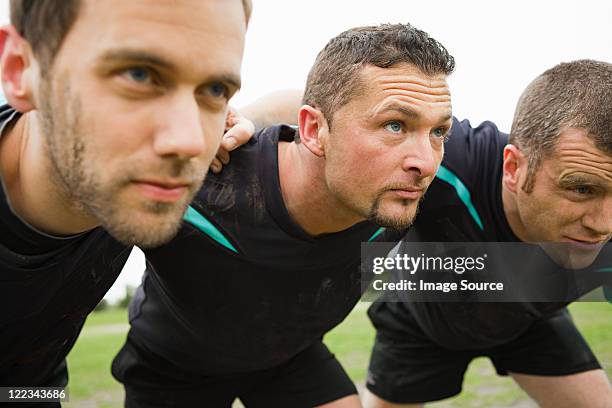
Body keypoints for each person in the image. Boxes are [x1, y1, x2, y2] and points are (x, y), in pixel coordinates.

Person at [111, 23, 455, 408]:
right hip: (174, 366)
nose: (426, 162)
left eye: (440, 131)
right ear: (313, 130)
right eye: (395, 125)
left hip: (288, 360)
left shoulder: (402, 193)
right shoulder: (206, 186)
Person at [0, 0, 250, 396]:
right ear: (20, 68)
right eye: (139, 74)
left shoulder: (127, 183)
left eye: (215, 89)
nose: (189, 141)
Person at [364, 60, 612, 408]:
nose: (603, 225)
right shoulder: (445, 164)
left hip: (528, 323)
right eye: (582, 189)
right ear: (513, 167)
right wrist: (257, 124)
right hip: (420, 318)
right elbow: (337, 115)